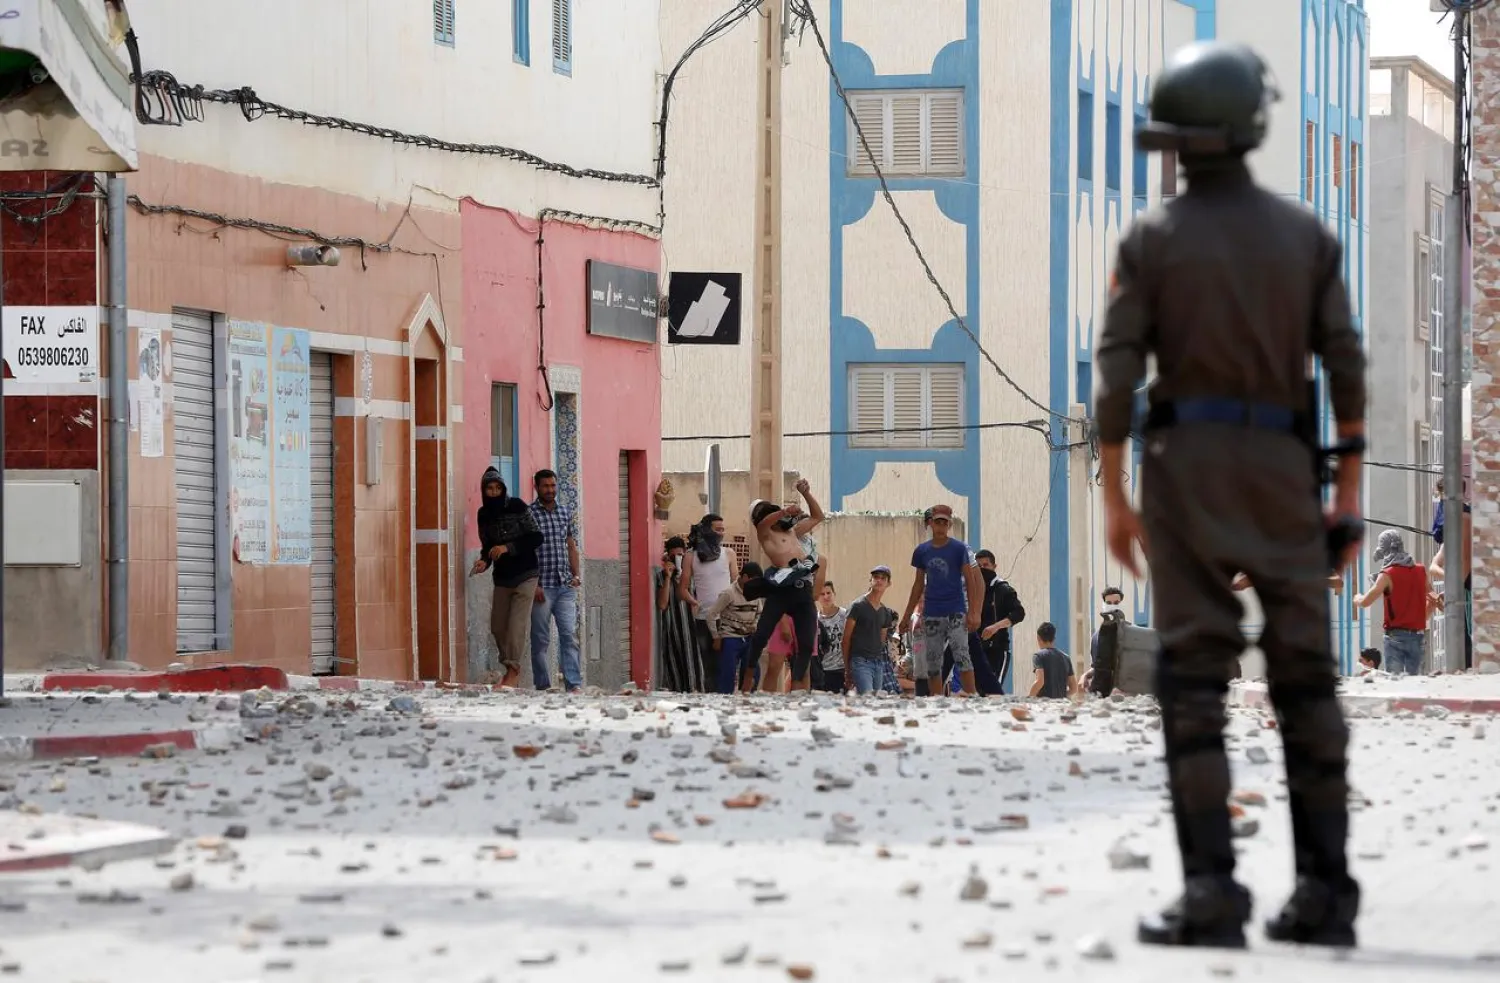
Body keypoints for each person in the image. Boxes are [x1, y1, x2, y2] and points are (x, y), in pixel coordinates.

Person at [1096, 41, 1367, 949]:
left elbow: (1118, 374)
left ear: (1175, 139)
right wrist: (1348, 493)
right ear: (1251, 126)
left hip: (1187, 473)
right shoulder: (1308, 237)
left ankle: (1212, 892)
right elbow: (1346, 367)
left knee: (1193, 682)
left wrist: (1114, 495)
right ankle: (1328, 893)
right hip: (1288, 473)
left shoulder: (1150, 240)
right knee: (1305, 680)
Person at [742, 478, 825, 692]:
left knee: (806, 643)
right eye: (769, 513)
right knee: (761, 636)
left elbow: (818, 516)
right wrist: (782, 512)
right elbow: (763, 524)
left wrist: (806, 493)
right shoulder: (766, 535)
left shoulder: (792, 532)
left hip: (802, 589)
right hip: (781, 590)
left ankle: (797, 686)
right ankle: (748, 677)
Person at [471, 468, 543, 689]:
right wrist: (484, 561)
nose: (494, 492)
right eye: (490, 489)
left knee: (516, 625)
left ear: (504, 488)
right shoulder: (483, 514)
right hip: (502, 577)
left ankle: (513, 669)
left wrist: (508, 547)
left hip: (526, 574)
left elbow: (536, 536)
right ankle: (509, 665)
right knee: (498, 626)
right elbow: (487, 546)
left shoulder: (517, 506)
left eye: (497, 488)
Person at [901, 505, 983, 696]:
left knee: (962, 655)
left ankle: (972, 697)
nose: (940, 526)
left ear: (949, 524)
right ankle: (937, 702)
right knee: (933, 661)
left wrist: (973, 612)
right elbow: (917, 585)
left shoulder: (958, 548)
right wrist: (907, 616)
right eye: (937, 522)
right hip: (932, 612)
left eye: (944, 522)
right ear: (931, 523)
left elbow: (971, 581)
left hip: (955, 610)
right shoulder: (922, 551)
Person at [529, 469, 583, 693]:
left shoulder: (564, 512)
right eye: (545, 486)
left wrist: (576, 574)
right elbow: (526, 552)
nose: (550, 490)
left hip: (564, 586)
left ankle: (573, 684)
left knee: (569, 636)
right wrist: (534, 584)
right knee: (540, 640)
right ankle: (543, 685)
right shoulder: (529, 514)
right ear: (536, 487)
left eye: (553, 485)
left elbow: (570, 544)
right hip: (542, 587)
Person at [1351, 530, 1431, 677]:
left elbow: (1366, 601)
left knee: (1396, 686)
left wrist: (1357, 598)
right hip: (1418, 637)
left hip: (1395, 638)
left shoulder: (1387, 575)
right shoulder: (1420, 571)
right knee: (1417, 685)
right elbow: (1431, 598)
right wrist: (1420, 619)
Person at [680, 513, 738, 691]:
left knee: (727, 664)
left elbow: (736, 585)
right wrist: (694, 602)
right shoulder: (691, 556)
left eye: (723, 530)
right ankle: (711, 701)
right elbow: (682, 589)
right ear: (706, 530)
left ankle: (725, 700)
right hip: (704, 620)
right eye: (717, 529)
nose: (721, 533)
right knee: (708, 665)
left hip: (727, 619)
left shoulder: (729, 554)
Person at [702, 561, 764, 694]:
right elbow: (711, 614)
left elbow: (759, 613)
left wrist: (755, 625)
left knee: (752, 673)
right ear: (745, 577)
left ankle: (746, 702)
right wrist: (716, 636)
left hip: (748, 637)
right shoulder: (729, 593)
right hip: (730, 638)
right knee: (727, 675)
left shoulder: (755, 593)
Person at [655, 537, 703, 692]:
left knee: (695, 670)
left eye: (681, 555)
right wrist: (669, 577)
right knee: (675, 671)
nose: (678, 559)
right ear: (667, 556)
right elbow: (662, 604)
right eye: (674, 555)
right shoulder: (662, 577)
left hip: (693, 630)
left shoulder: (692, 575)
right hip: (672, 631)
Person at [842, 566, 900, 694]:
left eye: (883, 578)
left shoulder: (885, 612)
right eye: (876, 577)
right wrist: (847, 669)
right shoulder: (857, 606)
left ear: (888, 583)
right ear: (870, 580)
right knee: (867, 699)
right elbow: (845, 640)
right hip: (860, 661)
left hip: (878, 664)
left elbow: (881, 641)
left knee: (876, 703)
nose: (879, 580)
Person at [975, 549, 1026, 690]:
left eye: (985, 565)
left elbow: (1019, 613)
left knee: (992, 691)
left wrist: (995, 627)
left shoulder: (1002, 589)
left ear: (994, 566)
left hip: (997, 650)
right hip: (976, 649)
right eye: (978, 566)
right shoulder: (972, 589)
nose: (982, 569)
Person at [815, 582, 849, 694]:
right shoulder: (815, 618)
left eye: (828, 593)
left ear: (834, 594)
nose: (826, 597)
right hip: (820, 670)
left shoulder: (845, 615)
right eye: (822, 594)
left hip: (840, 670)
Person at [1028, 623, 1077, 698]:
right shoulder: (1066, 658)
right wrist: (1061, 696)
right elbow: (1074, 688)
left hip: (1044, 705)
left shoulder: (1038, 656)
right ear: (1054, 639)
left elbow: (1040, 681)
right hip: (1061, 705)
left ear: (1038, 638)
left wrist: (1029, 698)